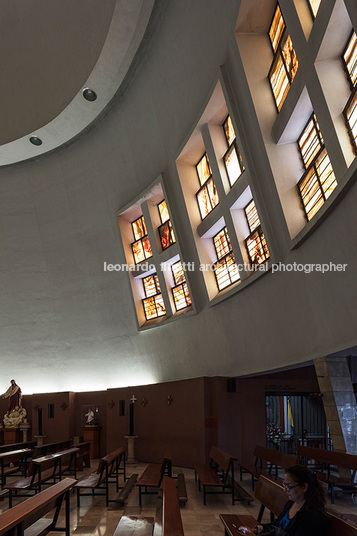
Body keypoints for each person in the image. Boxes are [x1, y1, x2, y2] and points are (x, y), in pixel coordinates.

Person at [239, 465, 329, 536]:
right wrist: (256, 530)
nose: (285, 490)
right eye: (284, 485)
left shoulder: (312, 515)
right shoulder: (291, 503)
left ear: (304, 487)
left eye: (289, 486)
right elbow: (277, 524)